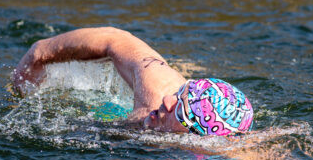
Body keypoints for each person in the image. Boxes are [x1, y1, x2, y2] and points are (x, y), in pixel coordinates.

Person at [13, 27, 253, 135]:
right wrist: (40, 52)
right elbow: (114, 39)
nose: (167, 101)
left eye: (182, 112)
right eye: (180, 94)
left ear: (198, 137)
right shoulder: (157, 87)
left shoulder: (205, 153)